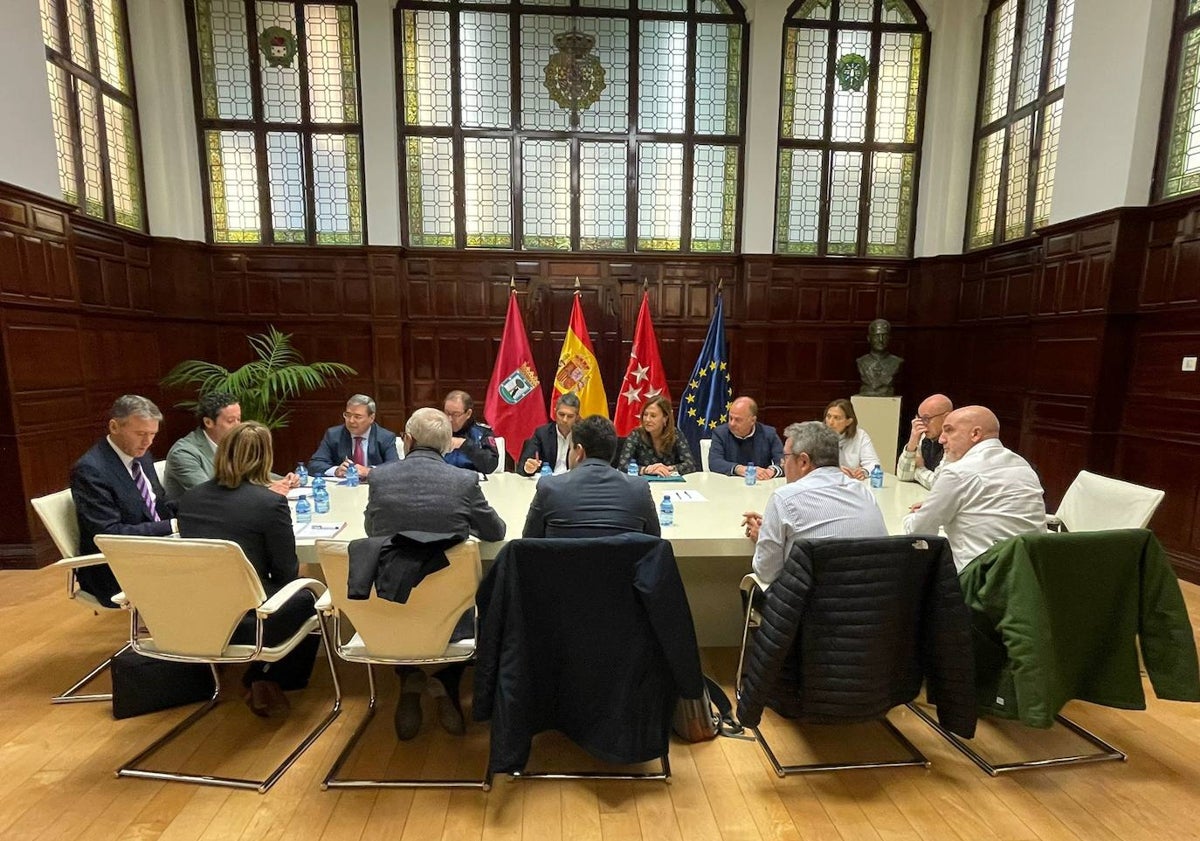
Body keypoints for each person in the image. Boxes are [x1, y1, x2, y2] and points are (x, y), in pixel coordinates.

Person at [364, 407, 506, 740]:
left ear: (408, 440)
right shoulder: (464, 481)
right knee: (476, 598)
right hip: (453, 619)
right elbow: (496, 532)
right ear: (446, 447)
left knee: (406, 591)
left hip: (389, 611)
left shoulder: (380, 477)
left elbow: (372, 529)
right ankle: (448, 680)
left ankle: (409, 677)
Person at [177, 422, 319, 718]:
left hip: (193, 615)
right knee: (309, 595)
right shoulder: (269, 503)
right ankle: (269, 676)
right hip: (250, 623)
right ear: (265, 458)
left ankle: (255, 675)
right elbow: (286, 573)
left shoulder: (189, 500)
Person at [741, 421, 887, 587]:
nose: (783, 463)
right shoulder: (864, 493)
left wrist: (764, 538)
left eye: (786, 457)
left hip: (808, 609)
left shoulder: (784, 498)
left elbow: (767, 573)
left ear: (803, 462)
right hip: (870, 607)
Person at [903, 406, 1046, 574]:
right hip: (1029, 579)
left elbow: (920, 531)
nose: (941, 439)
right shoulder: (1022, 465)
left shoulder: (958, 472)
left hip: (979, 582)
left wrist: (911, 517)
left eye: (949, 431)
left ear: (975, 434)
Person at [70, 395, 179, 605]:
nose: (147, 442)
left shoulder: (141, 456)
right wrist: (172, 526)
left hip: (155, 552)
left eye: (152, 434)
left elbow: (158, 505)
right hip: (115, 569)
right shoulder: (91, 470)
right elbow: (109, 533)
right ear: (114, 426)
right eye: (140, 434)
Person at [523, 415, 660, 538]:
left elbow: (529, 542)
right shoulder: (639, 488)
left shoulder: (549, 487)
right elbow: (654, 543)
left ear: (579, 452)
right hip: (622, 566)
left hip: (564, 566)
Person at [308, 394, 401, 480]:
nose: (351, 421)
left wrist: (369, 472)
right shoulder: (333, 435)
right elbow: (314, 464)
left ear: (371, 418)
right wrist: (336, 471)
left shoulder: (385, 437)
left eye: (357, 417)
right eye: (347, 415)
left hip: (373, 489)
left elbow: (394, 467)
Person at [617, 395, 698, 476]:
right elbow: (622, 466)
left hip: (670, 484)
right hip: (644, 484)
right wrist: (646, 470)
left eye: (653, 416)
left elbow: (691, 465)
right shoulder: (636, 434)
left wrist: (666, 469)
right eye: (645, 414)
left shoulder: (675, 434)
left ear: (665, 418)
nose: (647, 419)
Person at [707, 396, 784, 479]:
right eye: (730, 418)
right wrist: (740, 469)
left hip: (760, 485)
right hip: (729, 486)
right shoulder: (720, 433)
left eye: (738, 420)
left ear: (752, 421)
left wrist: (771, 471)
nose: (732, 423)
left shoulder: (769, 434)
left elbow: (784, 461)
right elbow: (714, 462)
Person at [897, 393, 953, 489]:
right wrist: (912, 442)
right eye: (919, 419)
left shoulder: (955, 441)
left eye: (926, 419)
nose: (922, 424)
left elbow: (939, 485)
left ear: (946, 417)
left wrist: (919, 469)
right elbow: (903, 475)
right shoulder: (923, 437)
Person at [517, 392, 580, 477]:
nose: (565, 420)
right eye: (561, 414)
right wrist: (528, 468)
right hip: (548, 482)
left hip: (573, 483)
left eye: (570, 416)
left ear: (577, 417)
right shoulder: (542, 433)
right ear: (555, 412)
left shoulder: (583, 436)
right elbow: (522, 467)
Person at [443, 390, 499, 474]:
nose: (449, 419)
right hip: (443, 479)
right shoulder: (436, 431)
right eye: (447, 413)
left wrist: (465, 444)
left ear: (468, 413)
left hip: (473, 480)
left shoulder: (482, 432)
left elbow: (490, 465)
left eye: (455, 414)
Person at [824, 398, 880, 479]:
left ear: (848, 421)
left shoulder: (860, 436)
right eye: (828, 417)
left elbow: (873, 463)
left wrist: (865, 471)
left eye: (836, 418)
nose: (830, 422)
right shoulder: (818, 435)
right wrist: (835, 471)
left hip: (853, 482)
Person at [856, 318, 903, 397]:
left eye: (884, 336)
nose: (880, 340)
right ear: (869, 338)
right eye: (876, 336)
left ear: (889, 338)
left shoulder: (896, 362)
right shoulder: (861, 361)